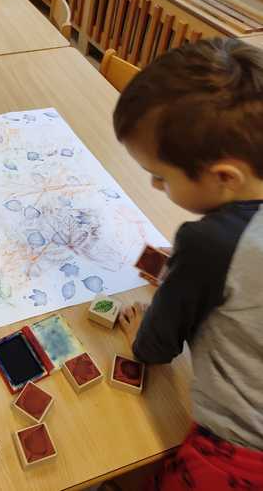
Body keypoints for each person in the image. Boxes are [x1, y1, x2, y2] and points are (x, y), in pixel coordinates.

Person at [112, 38, 263, 490]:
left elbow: (157, 347)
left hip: (240, 453)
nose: (155, 187)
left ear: (224, 177)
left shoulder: (206, 243)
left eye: (161, 177)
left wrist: (139, 337)